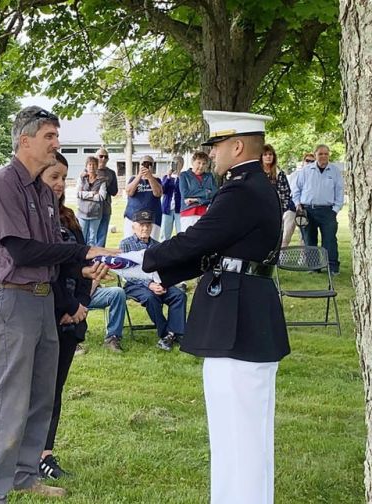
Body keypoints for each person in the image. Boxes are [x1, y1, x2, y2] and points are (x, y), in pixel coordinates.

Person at [143, 111, 290, 504]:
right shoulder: (257, 186)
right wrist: (164, 273)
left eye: (217, 145)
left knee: (239, 436)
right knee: (238, 434)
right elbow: (220, 252)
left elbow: (200, 238)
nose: (213, 154)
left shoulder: (241, 189)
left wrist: (147, 257)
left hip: (238, 319)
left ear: (238, 146)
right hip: (243, 312)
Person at [0, 106, 114, 503]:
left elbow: (52, 251)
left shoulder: (42, 190)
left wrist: (83, 270)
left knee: (41, 394)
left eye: (57, 136)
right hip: (11, 302)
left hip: (43, 300)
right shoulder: (2, 185)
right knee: (6, 399)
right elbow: (20, 249)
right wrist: (84, 251)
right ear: (26, 140)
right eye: (50, 136)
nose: (56, 143)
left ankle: (25, 474)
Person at [37, 152, 116, 479]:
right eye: (53, 177)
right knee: (37, 389)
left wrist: (82, 303)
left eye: (62, 179)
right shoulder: (35, 222)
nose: (58, 184)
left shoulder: (69, 218)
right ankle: (27, 453)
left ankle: (46, 453)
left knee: (55, 387)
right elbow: (48, 270)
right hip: (48, 312)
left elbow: (84, 264)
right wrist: (68, 306)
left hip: (74, 315)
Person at [119, 210, 187, 351]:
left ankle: (176, 333)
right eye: (141, 225)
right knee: (151, 297)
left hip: (157, 283)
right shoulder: (126, 244)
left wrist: (163, 284)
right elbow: (127, 273)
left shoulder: (157, 245)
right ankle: (166, 334)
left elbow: (163, 270)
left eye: (148, 225)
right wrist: (149, 284)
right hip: (134, 285)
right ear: (134, 226)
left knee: (179, 295)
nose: (145, 228)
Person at [291, 144, 344, 274]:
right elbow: (296, 189)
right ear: (315, 155)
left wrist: (335, 210)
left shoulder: (335, 171)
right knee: (309, 240)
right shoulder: (306, 170)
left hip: (328, 211)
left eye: (326, 154)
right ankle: (314, 267)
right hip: (307, 210)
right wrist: (298, 205)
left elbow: (340, 191)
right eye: (320, 154)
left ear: (329, 155)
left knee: (330, 240)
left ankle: (332, 267)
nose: (323, 156)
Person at [262, 144, 297, 248]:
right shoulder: (257, 174)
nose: (268, 157)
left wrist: (282, 209)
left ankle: (279, 255)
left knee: (279, 235)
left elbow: (286, 193)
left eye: (270, 154)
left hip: (278, 209)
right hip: (262, 210)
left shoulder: (279, 173)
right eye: (265, 154)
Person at [123, 155, 162, 239]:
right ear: (139, 165)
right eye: (144, 164)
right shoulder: (133, 179)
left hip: (152, 219)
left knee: (152, 247)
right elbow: (129, 192)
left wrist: (150, 177)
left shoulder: (157, 180)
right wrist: (139, 176)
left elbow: (158, 193)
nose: (146, 166)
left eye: (149, 164)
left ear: (153, 166)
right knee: (130, 244)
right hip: (132, 218)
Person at [179, 151, 218, 232]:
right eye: (199, 163)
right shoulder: (184, 175)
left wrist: (196, 200)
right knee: (188, 241)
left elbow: (215, 193)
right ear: (193, 162)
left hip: (206, 213)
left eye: (204, 164)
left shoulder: (209, 176)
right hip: (188, 213)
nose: (201, 166)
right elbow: (185, 194)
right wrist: (207, 192)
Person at [75, 156, 108, 245]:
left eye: (94, 165)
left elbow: (102, 197)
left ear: (97, 166)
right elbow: (78, 194)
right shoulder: (82, 178)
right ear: (86, 166)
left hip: (96, 214)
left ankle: (90, 257)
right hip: (82, 213)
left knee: (92, 239)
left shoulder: (102, 180)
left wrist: (84, 195)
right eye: (89, 164)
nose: (91, 167)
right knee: (81, 237)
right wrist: (92, 194)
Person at [94, 147, 119, 246]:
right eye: (101, 156)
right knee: (89, 236)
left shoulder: (111, 173)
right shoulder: (88, 170)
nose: (103, 159)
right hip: (91, 210)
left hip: (105, 209)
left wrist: (106, 182)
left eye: (106, 157)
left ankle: (100, 258)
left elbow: (114, 192)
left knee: (101, 237)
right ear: (96, 157)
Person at [160, 157, 182, 240]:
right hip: (167, 209)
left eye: (178, 163)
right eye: (174, 163)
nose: (175, 166)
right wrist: (169, 177)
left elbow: (184, 190)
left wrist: (179, 176)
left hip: (179, 209)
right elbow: (163, 190)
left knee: (181, 231)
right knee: (165, 233)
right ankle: (163, 250)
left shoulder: (183, 177)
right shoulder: (166, 177)